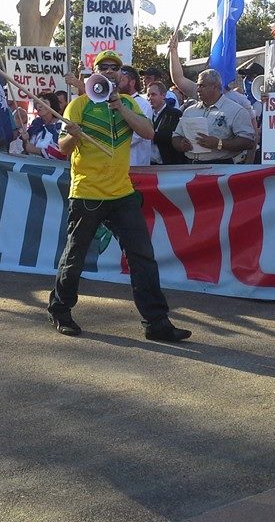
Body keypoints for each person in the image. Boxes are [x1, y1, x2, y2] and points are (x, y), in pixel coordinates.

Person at [48, 49, 191, 343]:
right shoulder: (78, 105)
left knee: (142, 257)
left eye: (115, 67)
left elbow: (148, 133)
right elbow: (63, 148)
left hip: (122, 193)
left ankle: (156, 322)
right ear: (94, 71)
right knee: (75, 256)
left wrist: (119, 108)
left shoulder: (127, 103)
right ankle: (60, 310)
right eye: (104, 66)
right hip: (87, 192)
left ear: (121, 74)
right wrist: (74, 134)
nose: (110, 71)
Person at [172, 69, 255, 164]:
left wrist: (219, 143)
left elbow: (248, 142)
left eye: (202, 86)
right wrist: (181, 144)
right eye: (197, 85)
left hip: (220, 167)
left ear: (215, 87)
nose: (198, 89)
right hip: (190, 166)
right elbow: (176, 136)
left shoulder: (236, 111)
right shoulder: (189, 111)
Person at [119, 65, 153, 165]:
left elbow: (137, 136)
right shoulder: (113, 102)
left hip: (135, 163)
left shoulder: (143, 104)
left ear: (132, 82)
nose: (117, 84)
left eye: (121, 80)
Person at [17, 92, 66, 159]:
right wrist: (25, 140)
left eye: (44, 103)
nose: (39, 106)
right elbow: (27, 148)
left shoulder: (62, 126)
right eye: (37, 103)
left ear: (52, 105)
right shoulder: (36, 123)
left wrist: (36, 150)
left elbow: (62, 152)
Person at [147, 81, 184, 165]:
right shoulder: (146, 114)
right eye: (148, 95)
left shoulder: (175, 114)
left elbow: (172, 137)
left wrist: (149, 134)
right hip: (150, 164)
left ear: (163, 95)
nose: (150, 98)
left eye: (153, 94)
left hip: (169, 164)